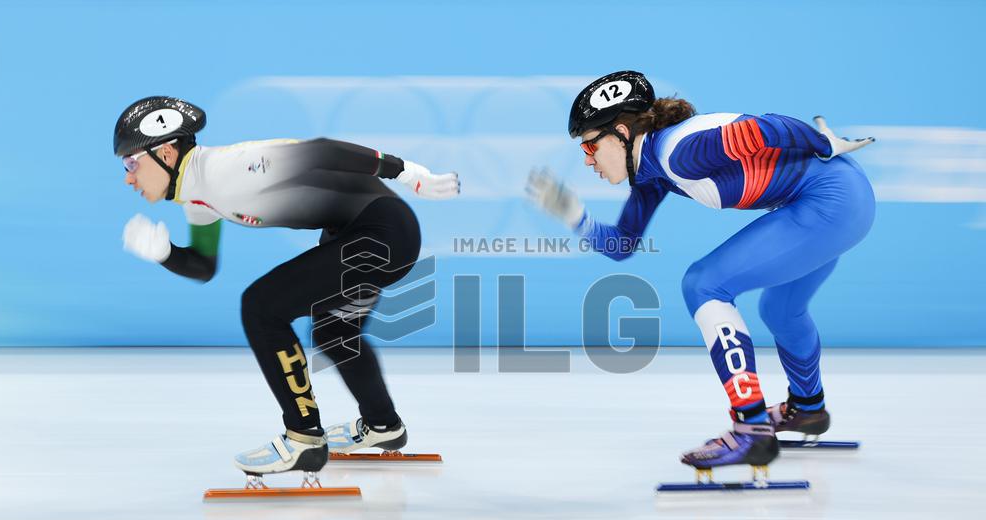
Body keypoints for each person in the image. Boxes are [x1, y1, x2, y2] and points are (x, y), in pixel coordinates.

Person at [526, 71, 875, 474]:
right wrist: (576, 217)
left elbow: (762, 129)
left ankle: (751, 429)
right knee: (781, 310)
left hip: (828, 199)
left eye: (590, 144)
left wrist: (821, 142)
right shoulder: (651, 172)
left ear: (621, 132)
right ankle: (808, 409)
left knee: (703, 284)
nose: (587, 159)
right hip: (841, 199)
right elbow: (623, 245)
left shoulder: (681, 152)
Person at [115, 96, 459, 480]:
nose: (128, 177)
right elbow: (203, 266)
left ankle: (304, 438)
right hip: (357, 232)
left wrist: (407, 172)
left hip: (382, 232)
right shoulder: (197, 198)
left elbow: (324, 152)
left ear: (165, 151)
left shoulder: (227, 169)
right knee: (333, 332)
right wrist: (165, 253)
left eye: (132, 163)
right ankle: (384, 426)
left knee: (262, 306)